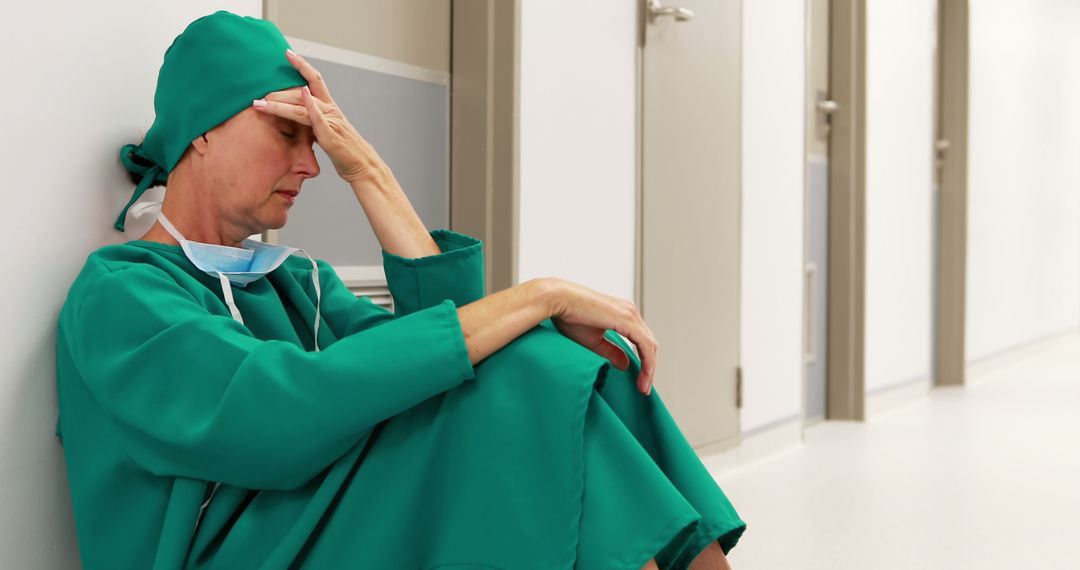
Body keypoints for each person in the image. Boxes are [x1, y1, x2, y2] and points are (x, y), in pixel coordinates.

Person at [55, 10, 745, 570]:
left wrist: (369, 172)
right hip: (238, 550)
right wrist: (539, 294)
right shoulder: (120, 296)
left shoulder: (297, 282)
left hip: (315, 516)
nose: (310, 164)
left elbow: (437, 342)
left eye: (320, 143)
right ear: (200, 130)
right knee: (532, 369)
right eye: (291, 132)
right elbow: (274, 418)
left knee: (580, 366)